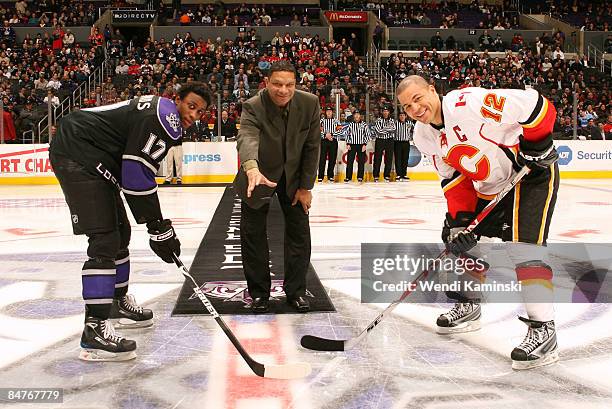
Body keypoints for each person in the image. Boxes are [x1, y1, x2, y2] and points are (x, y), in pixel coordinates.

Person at [396, 75, 560, 370]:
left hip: (529, 177)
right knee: (464, 244)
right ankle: (470, 305)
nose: (415, 108)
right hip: (487, 186)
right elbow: (453, 178)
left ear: (433, 90)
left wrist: (537, 144)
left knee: (525, 251)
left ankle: (543, 329)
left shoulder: (469, 102)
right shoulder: (424, 135)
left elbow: (536, 106)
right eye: (407, 106)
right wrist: (461, 221)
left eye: (418, 98)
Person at [49, 83, 211, 361]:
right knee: (105, 238)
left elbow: (133, 172)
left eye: (200, 112)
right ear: (177, 100)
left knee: (120, 233)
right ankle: (94, 330)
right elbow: (136, 176)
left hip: (91, 150)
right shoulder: (166, 118)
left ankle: (116, 303)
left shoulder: (161, 110)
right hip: (79, 151)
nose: (193, 115)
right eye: (191, 105)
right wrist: (157, 226)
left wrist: (156, 226)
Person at [233, 60, 320, 313]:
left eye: (289, 84)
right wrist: (251, 167)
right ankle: (259, 294)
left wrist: (306, 187)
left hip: (294, 179)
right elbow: (247, 137)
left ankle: (296, 292)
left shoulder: (309, 103)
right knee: (253, 235)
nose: (283, 90)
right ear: (266, 83)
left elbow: (312, 146)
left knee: (299, 234)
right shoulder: (254, 105)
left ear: (296, 84)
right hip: (258, 176)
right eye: (277, 84)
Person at [343, 111, 371, 183]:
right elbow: (346, 134)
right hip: (352, 145)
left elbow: (367, 135)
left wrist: (365, 144)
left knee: (361, 162)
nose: (356, 116)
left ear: (360, 116)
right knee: (350, 162)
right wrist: (348, 143)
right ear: (354, 116)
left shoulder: (364, 124)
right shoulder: (351, 124)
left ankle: (360, 177)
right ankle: (348, 177)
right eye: (355, 115)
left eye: (358, 115)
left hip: (361, 145)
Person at [372, 106, 397, 182]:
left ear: (389, 112)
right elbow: (378, 131)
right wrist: (387, 130)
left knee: (389, 158)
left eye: (387, 111)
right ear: (382, 112)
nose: (385, 112)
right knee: (377, 158)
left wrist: (384, 129)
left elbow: (393, 130)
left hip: (389, 140)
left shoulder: (392, 121)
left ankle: (387, 175)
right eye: (384, 111)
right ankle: (376, 176)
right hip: (380, 140)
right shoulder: (378, 120)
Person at [318, 106, 340, 182]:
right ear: (325, 112)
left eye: (330, 111)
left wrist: (331, 134)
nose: (329, 112)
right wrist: (325, 135)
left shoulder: (336, 121)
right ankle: (320, 176)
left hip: (333, 141)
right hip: (324, 141)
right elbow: (318, 130)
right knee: (322, 159)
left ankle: (330, 175)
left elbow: (340, 130)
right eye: (327, 111)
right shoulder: (321, 121)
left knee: (332, 159)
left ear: (332, 112)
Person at [393, 111, 414, 181]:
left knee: (405, 159)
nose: (402, 116)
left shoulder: (409, 123)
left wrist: (413, 138)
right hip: (397, 143)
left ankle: (404, 174)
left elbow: (414, 131)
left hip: (406, 143)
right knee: (398, 159)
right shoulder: (395, 123)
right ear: (399, 116)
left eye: (403, 115)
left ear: (406, 116)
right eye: (400, 115)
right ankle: (398, 174)